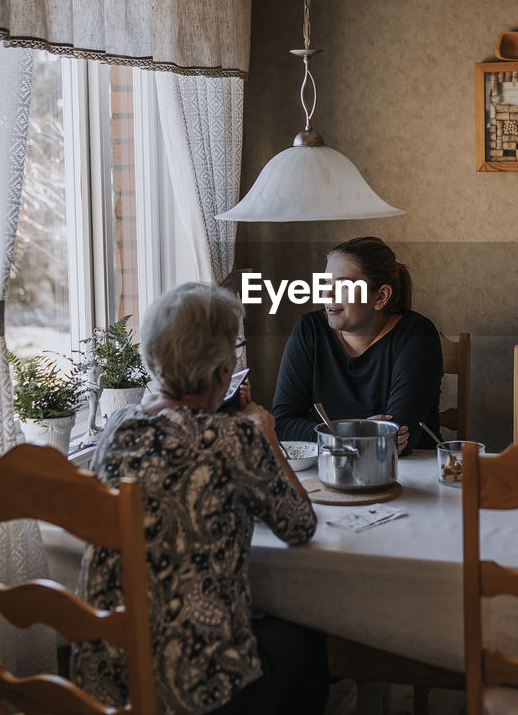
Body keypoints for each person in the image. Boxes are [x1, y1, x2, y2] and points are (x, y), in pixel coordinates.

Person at [73, 282, 328, 715]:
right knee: (306, 639)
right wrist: (265, 435)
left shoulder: (119, 426)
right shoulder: (235, 438)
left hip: (108, 683)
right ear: (225, 370)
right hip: (195, 694)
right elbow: (300, 524)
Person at [272, 236, 443, 456]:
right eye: (325, 283)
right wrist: (354, 434)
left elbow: (398, 440)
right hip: (332, 469)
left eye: (343, 286)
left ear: (381, 296)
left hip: (414, 473)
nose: (327, 294)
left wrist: (330, 434)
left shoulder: (417, 335)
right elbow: (282, 425)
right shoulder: (309, 329)